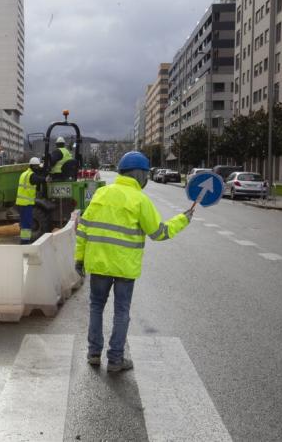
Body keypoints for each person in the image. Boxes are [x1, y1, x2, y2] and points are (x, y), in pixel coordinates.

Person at [74, 151, 193, 372]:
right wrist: (182, 220)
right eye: (145, 174)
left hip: (98, 263)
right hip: (125, 268)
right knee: (121, 311)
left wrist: (79, 259)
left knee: (96, 307)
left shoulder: (101, 194)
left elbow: (83, 228)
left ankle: (93, 353)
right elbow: (159, 233)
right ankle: (116, 360)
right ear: (139, 175)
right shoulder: (140, 200)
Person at [15, 157, 45, 244]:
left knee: (24, 223)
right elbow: (37, 179)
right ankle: (25, 242)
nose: (38, 168)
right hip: (26, 204)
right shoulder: (31, 175)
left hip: (21, 203)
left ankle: (24, 241)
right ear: (34, 166)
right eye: (37, 166)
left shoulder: (24, 174)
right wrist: (45, 179)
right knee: (27, 224)